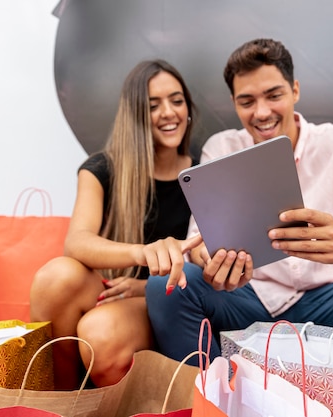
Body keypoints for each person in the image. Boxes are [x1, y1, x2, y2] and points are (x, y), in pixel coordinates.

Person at [145, 38, 333, 417]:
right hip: (249, 300)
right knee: (167, 286)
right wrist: (216, 261)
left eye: (273, 95)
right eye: (246, 101)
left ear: (295, 90)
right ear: (234, 104)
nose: (261, 112)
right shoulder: (222, 147)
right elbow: (201, 239)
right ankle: (206, 409)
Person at [29, 59, 204, 389]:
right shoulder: (100, 169)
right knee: (56, 276)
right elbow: (77, 242)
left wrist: (147, 285)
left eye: (176, 101)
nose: (169, 112)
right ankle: (62, 403)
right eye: (153, 105)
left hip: (164, 299)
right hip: (110, 288)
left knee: (101, 331)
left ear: (188, 108)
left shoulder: (203, 171)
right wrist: (142, 254)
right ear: (135, 115)